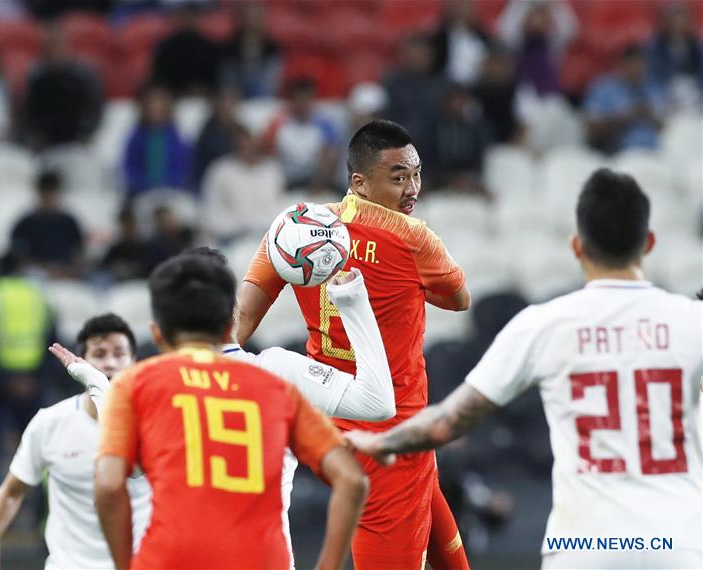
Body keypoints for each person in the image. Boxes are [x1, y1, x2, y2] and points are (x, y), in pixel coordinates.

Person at [346, 169, 702, 570]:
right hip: (678, 543)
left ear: (577, 246)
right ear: (648, 243)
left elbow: (446, 424)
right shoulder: (691, 321)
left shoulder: (543, 324)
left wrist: (377, 443)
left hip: (586, 548)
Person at [238, 120, 471, 569]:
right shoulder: (412, 238)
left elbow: (241, 319)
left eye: (416, 174)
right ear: (359, 182)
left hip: (330, 417)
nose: (412, 188)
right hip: (392, 432)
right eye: (398, 177)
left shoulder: (294, 230)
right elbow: (460, 299)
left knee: (440, 533)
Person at [94, 253, 368, 569]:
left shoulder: (135, 385)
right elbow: (351, 480)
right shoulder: (275, 388)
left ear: (157, 333)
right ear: (231, 320)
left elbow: (109, 484)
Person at [0, 314, 150, 570]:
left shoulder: (154, 423)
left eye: (119, 354)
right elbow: (12, 493)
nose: (110, 363)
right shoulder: (50, 422)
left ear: (134, 362)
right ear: (82, 363)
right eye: (99, 354)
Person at [0, 252, 57, 485]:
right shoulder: (38, 294)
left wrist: (5, 380)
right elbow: (51, 339)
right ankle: (43, 508)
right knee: (39, 448)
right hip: (33, 383)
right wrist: (34, 379)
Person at [200, 123, 285, 243]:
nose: (249, 149)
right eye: (244, 145)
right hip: (231, 238)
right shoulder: (220, 171)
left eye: (253, 145)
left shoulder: (272, 171)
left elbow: (278, 206)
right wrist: (240, 228)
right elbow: (213, 210)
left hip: (266, 237)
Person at [584, 45, 666, 154]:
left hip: (656, 152)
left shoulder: (652, 88)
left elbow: (668, 126)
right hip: (618, 154)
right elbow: (591, 127)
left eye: (641, 64)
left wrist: (649, 115)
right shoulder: (603, 88)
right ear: (622, 65)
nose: (638, 69)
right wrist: (625, 118)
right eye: (633, 64)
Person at [10, 170, 84, 278]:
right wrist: (46, 270)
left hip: (65, 276)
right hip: (35, 276)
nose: (49, 199)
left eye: (52, 193)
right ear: (39, 193)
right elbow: (19, 260)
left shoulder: (69, 223)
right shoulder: (24, 224)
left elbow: (79, 255)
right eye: (45, 194)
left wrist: (67, 271)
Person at [122, 84, 192, 197]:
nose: (155, 112)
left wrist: (168, 184)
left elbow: (184, 168)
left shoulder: (177, 138)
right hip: (142, 192)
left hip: (172, 192)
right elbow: (129, 168)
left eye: (159, 108)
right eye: (152, 108)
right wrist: (146, 184)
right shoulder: (136, 137)